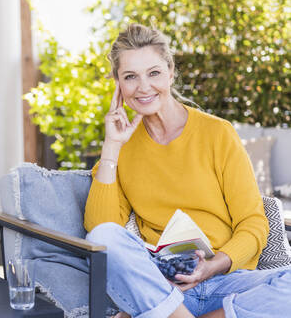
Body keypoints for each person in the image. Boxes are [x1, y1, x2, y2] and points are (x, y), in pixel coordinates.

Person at [84, 23, 291, 318]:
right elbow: (101, 231)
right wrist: (111, 146)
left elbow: (253, 224)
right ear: (118, 84)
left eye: (153, 72)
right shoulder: (123, 149)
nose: (143, 87)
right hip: (163, 285)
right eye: (130, 76)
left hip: (226, 282)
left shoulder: (218, 134)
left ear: (170, 72)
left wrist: (214, 265)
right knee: (102, 236)